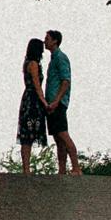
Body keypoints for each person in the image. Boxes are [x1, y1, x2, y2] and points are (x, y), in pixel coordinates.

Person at [43, 28, 79, 174]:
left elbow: (65, 81)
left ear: (55, 41)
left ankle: (76, 167)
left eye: (47, 38)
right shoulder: (53, 59)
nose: (45, 41)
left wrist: (57, 100)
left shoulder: (60, 57)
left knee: (63, 134)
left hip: (57, 103)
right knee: (58, 137)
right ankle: (62, 170)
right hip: (52, 103)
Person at [14, 37, 50, 171]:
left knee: (26, 135)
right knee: (28, 134)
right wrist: (44, 102)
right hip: (33, 101)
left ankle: (26, 168)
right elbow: (37, 85)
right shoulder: (33, 64)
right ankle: (26, 168)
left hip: (28, 98)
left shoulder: (27, 62)